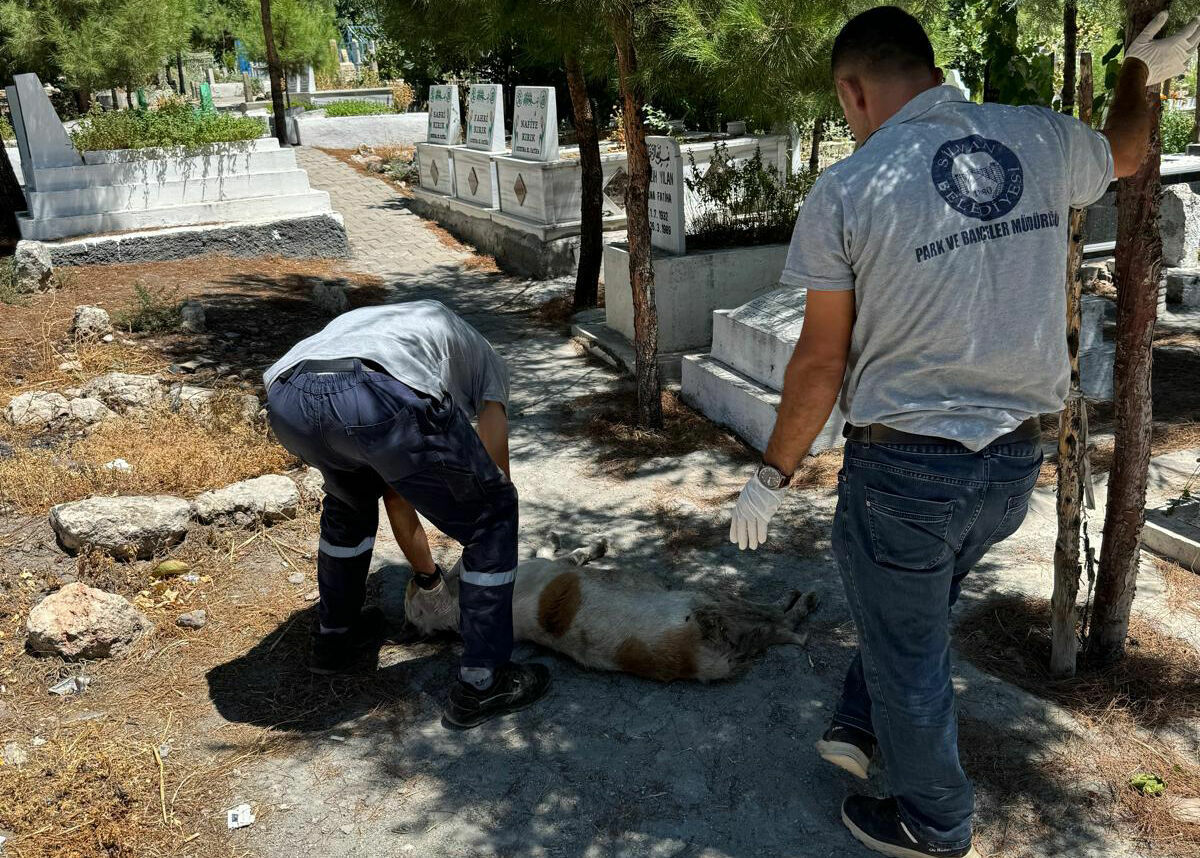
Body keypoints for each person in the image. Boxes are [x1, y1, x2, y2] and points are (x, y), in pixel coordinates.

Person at [727, 7, 1195, 857]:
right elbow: (1126, 151)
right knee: (915, 606)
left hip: (906, 470)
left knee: (910, 647)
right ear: (931, 69)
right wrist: (1136, 68)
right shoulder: (1039, 137)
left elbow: (821, 361)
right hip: (1012, 465)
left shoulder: (850, 187)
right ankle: (859, 724)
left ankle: (932, 822)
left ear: (853, 90)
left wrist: (772, 471)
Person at [264, 299, 550, 729]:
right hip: (374, 394)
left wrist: (429, 579)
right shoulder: (487, 361)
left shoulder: (403, 326)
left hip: (288, 397)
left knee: (350, 505)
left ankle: (334, 640)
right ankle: (483, 681)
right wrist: (488, 528)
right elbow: (494, 461)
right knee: (494, 513)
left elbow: (396, 494)